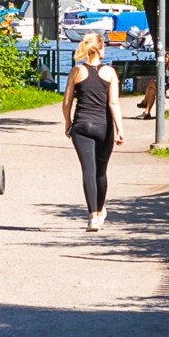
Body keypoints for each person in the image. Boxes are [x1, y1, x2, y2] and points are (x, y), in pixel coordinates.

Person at [63, 34, 116, 228]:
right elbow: (113, 103)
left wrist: (67, 122)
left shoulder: (76, 71)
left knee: (88, 170)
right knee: (101, 172)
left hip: (82, 125)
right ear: (100, 50)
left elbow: (67, 101)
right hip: (104, 126)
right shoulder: (110, 73)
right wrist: (119, 129)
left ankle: (93, 216)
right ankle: (100, 210)